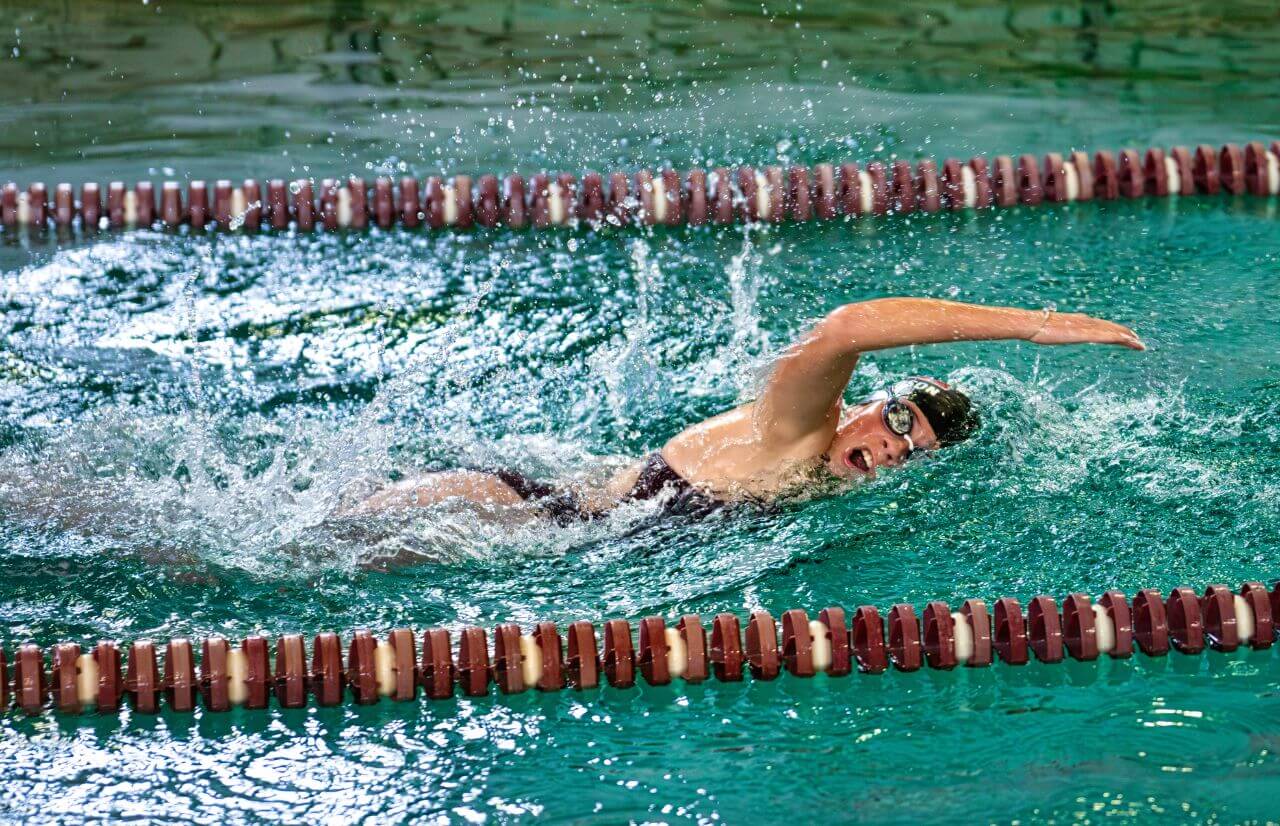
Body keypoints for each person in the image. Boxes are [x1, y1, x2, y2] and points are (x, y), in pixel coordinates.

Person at [353, 297, 1144, 521]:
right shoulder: (799, 432)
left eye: (917, 451)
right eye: (900, 421)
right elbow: (848, 328)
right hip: (498, 513)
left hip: (548, 516)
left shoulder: (818, 482)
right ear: (870, 404)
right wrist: (1035, 325)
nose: (898, 447)